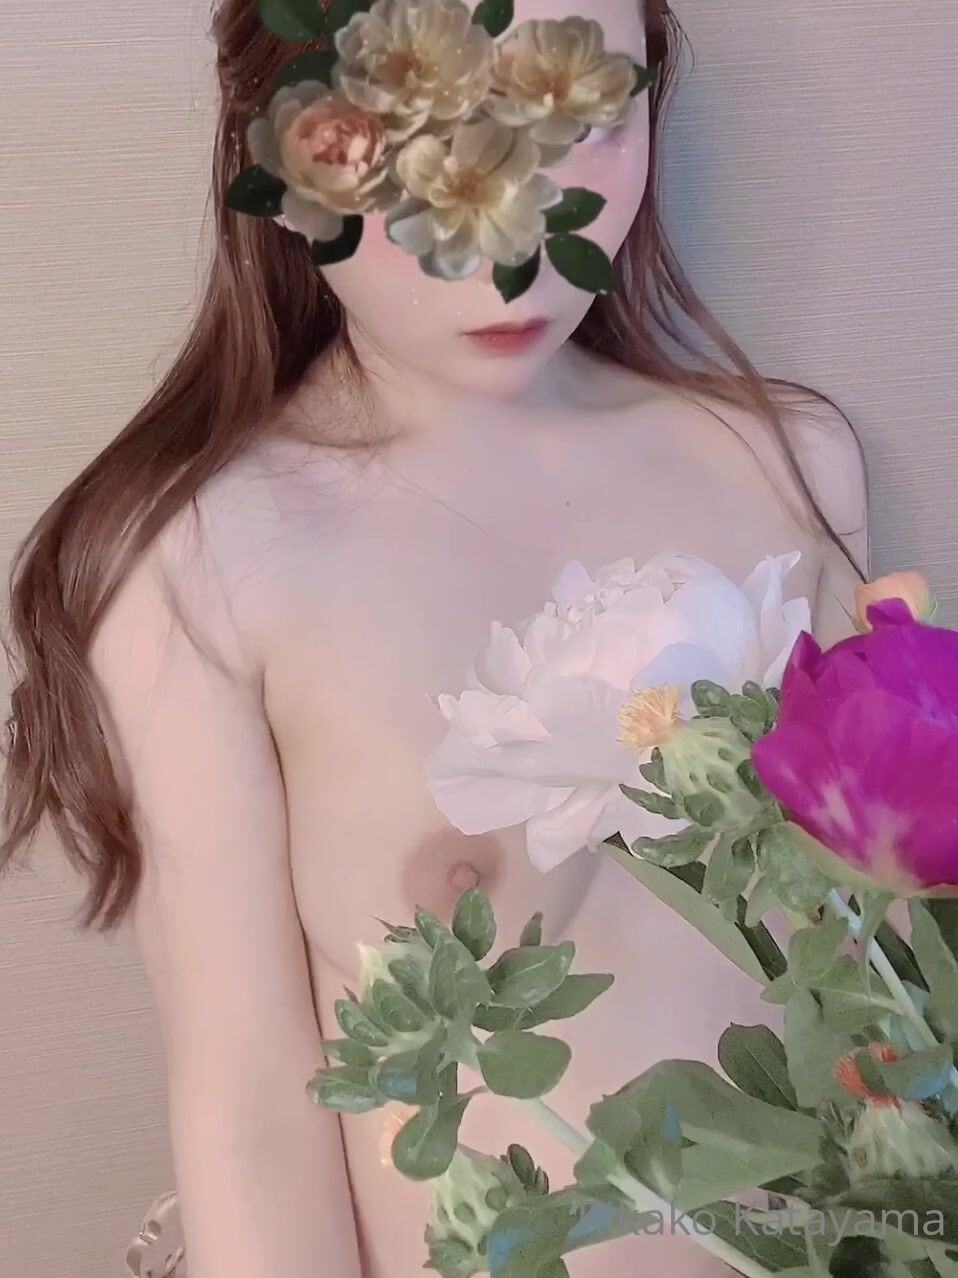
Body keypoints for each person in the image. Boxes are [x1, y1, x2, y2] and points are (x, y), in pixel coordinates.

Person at [0, 0, 869, 1274]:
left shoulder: (787, 467)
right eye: (398, 129)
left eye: (577, 114)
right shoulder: (204, 560)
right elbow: (251, 1117)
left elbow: (876, 977)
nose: (504, 238)